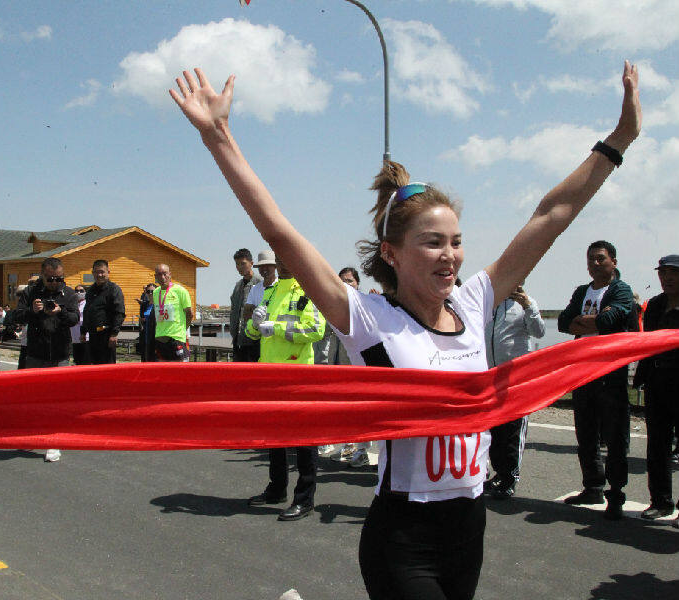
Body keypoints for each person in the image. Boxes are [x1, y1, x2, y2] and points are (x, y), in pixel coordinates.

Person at [170, 61, 640, 598]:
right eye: (433, 242)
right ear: (391, 253)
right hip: (403, 537)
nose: (451, 256)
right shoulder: (369, 320)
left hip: (469, 530)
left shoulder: (474, 301)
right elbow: (278, 230)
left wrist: (619, 139)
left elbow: (551, 213)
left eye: (456, 241)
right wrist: (218, 135)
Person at [557, 240, 635, 520]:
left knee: (615, 436)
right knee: (586, 431)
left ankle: (616, 494)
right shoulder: (582, 291)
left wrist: (586, 321)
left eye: (600, 259)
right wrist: (591, 320)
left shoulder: (621, 290)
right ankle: (592, 486)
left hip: (610, 374)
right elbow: (563, 323)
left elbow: (610, 321)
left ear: (613, 261)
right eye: (590, 259)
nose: (594, 264)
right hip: (582, 370)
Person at [245, 254, 326, 521]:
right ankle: (277, 488)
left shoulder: (307, 291)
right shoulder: (269, 293)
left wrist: (275, 328)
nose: (284, 263)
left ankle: (305, 499)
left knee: (303, 439)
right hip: (270, 374)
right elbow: (251, 333)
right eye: (280, 259)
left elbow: (315, 329)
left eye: (287, 257)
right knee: (274, 436)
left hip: (298, 374)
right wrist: (254, 324)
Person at [12, 258, 80, 463]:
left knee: (56, 399)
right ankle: (33, 435)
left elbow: (75, 319)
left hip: (59, 353)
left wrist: (61, 312)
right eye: (50, 279)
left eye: (59, 278)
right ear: (42, 275)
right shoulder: (30, 292)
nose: (55, 282)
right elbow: (17, 316)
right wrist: (32, 311)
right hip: (35, 352)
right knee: (34, 398)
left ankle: (52, 440)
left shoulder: (68, 294)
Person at [484, 283, 545, 499]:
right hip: (491, 377)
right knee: (495, 431)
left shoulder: (526, 304)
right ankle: (499, 473)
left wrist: (528, 305)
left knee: (513, 430)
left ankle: (510, 477)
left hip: (516, 379)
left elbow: (539, 331)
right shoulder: (490, 305)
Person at [633, 254, 679, 526]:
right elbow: (646, 346)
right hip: (657, 382)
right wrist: (642, 376)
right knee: (657, 445)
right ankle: (660, 501)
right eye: (663, 273)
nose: (667, 278)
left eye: (673, 273)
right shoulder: (655, 306)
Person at [324, 267, 373, 468]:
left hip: (358, 367)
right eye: (342, 281)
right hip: (338, 365)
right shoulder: (334, 306)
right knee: (344, 408)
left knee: (360, 409)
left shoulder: (365, 305)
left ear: (358, 283)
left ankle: (362, 450)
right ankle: (349, 445)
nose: (346, 284)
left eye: (350, 281)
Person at [82, 259, 125, 364]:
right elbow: (87, 311)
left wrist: (114, 334)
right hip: (92, 336)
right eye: (96, 272)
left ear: (108, 272)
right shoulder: (91, 290)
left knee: (107, 369)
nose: (99, 275)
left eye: (102, 272)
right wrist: (83, 331)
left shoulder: (114, 289)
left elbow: (119, 312)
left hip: (107, 336)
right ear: (93, 273)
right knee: (93, 369)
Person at [242, 250, 278, 362]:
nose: (264, 269)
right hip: (258, 338)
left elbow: (250, 310)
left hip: (276, 337)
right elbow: (247, 312)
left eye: (268, 266)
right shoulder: (255, 289)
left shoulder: (280, 286)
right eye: (261, 266)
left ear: (275, 267)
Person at [152, 263, 193, 362]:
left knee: (180, 372)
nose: (162, 277)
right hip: (160, 338)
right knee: (163, 372)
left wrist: (182, 330)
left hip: (176, 338)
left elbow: (189, 314)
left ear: (170, 274)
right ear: (155, 276)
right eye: (159, 274)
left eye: (165, 274)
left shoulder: (180, 291)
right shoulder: (155, 292)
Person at [229, 248, 261, 363]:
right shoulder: (238, 286)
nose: (239, 267)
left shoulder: (260, 283)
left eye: (243, 264)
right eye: (237, 264)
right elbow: (233, 311)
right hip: (238, 340)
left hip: (254, 341)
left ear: (251, 263)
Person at [136, 283, 157, 361]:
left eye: (153, 291)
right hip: (145, 337)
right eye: (148, 291)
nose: (150, 293)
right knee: (145, 360)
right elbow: (142, 318)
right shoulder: (144, 305)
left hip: (155, 338)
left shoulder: (160, 305)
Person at [71, 285, 90, 365]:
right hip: (74, 337)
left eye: (81, 291)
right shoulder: (72, 304)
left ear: (85, 292)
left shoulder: (88, 303)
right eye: (76, 291)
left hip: (86, 337)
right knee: (77, 360)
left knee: (86, 360)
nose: (79, 293)